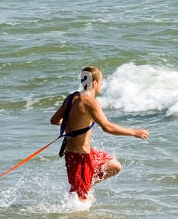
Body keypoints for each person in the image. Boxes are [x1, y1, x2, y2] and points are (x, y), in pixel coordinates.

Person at [50, 66, 148, 202]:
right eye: (101, 81)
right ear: (95, 83)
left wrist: (72, 125)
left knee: (114, 166)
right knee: (81, 205)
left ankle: (85, 185)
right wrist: (133, 132)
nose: (102, 84)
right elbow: (107, 127)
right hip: (80, 159)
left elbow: (54, 120)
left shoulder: (71, 98)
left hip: (82, 153)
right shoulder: (91, 102)